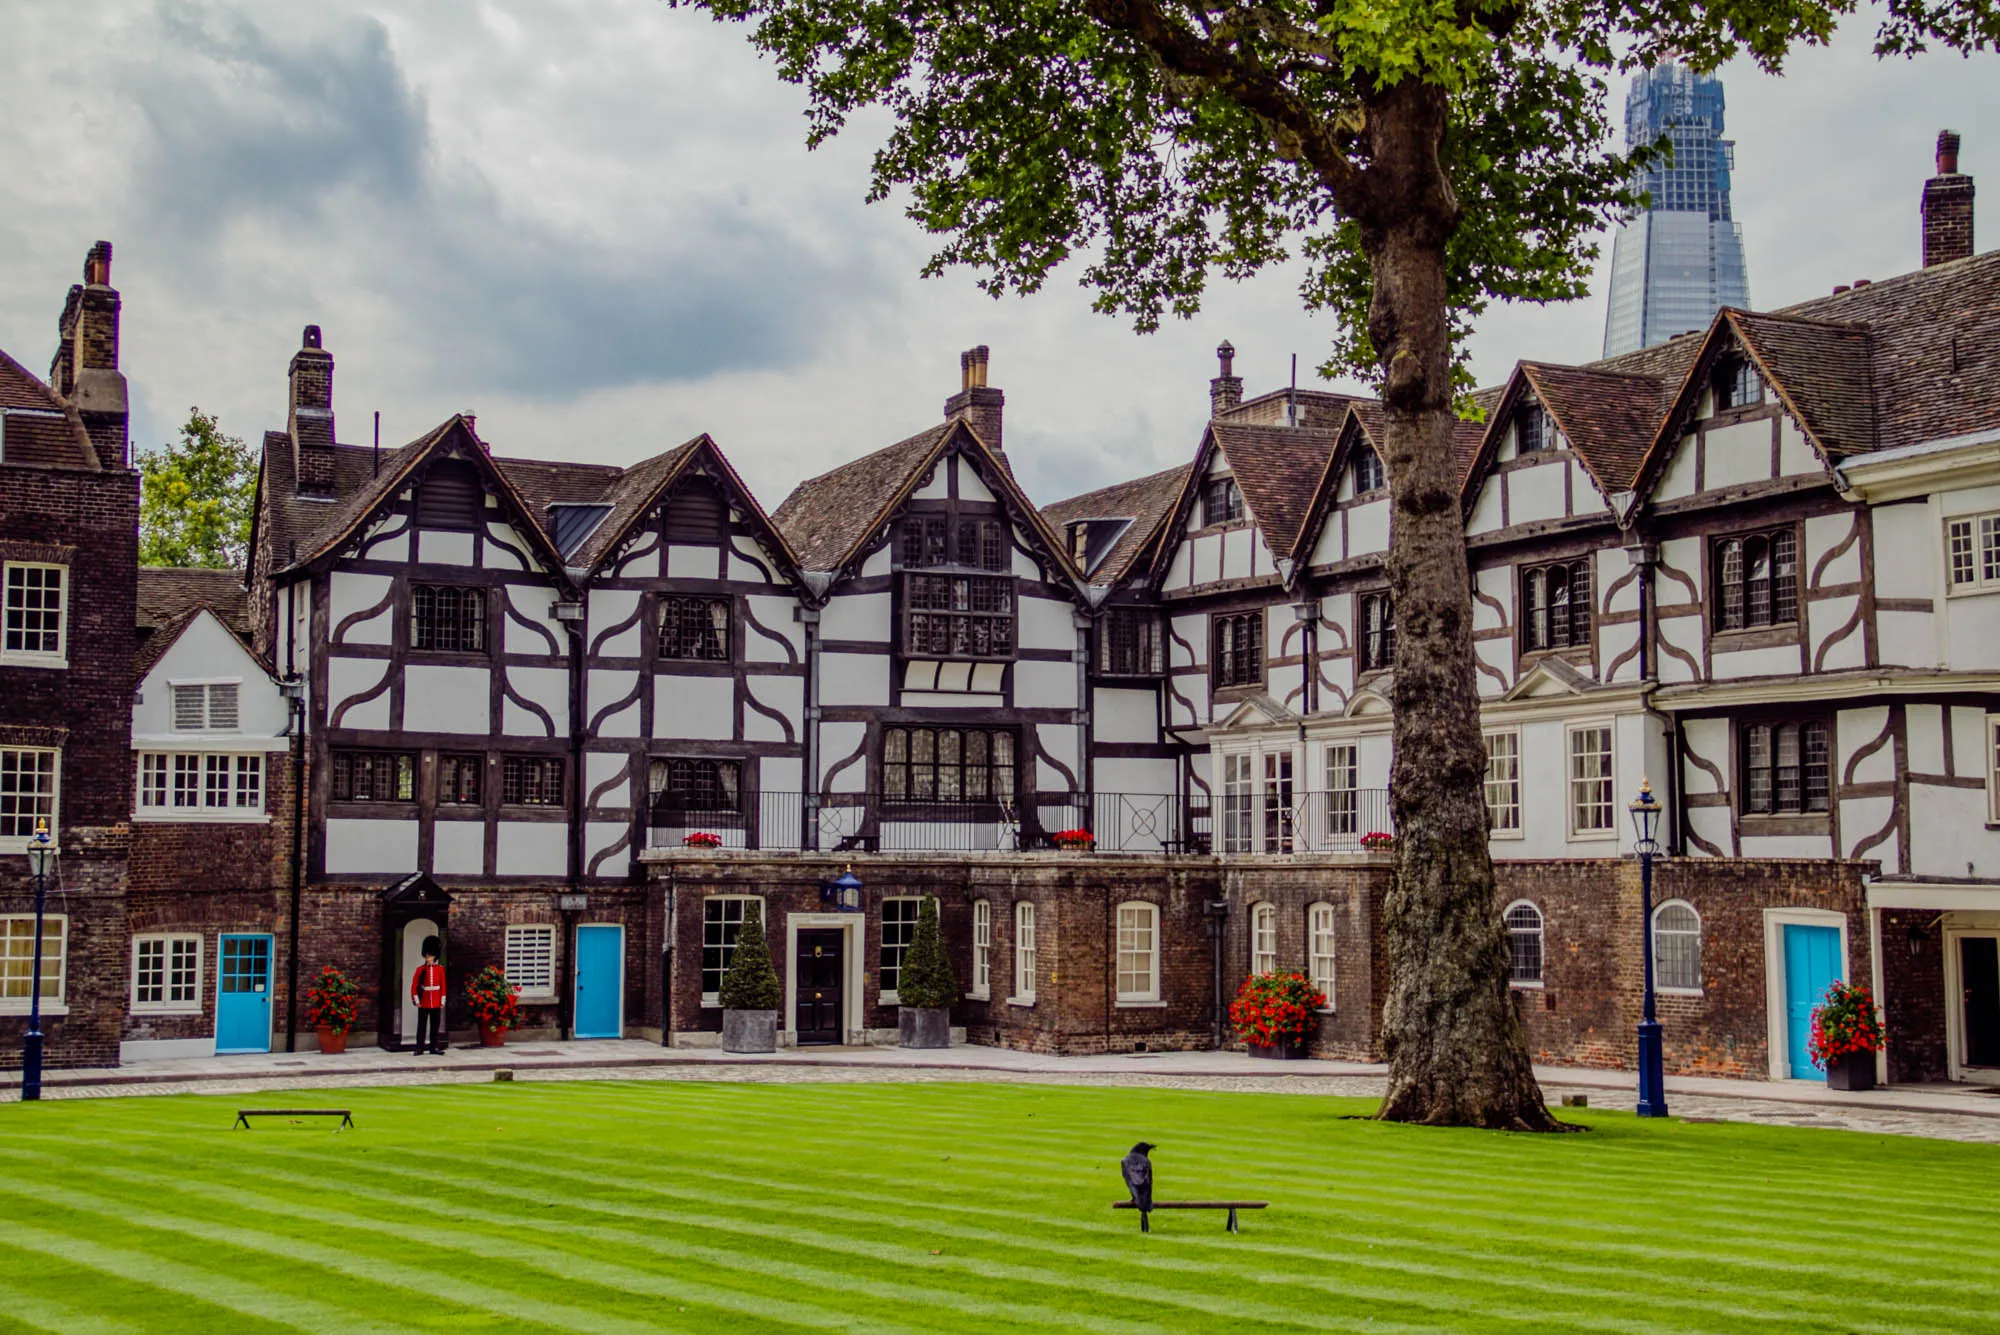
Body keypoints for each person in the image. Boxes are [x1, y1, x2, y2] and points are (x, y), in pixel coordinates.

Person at [411, 936, 447, 1055]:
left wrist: (442, 1000)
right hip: (424, 1000)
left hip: (436, 1000)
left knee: (434, 1026)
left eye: (430, 956)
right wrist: (416, 999)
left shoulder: (440, 969)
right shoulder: (420, 969)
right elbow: (414, 985)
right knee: (421, 1026)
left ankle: (433, 1047)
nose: (429, 958)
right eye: (427, 956)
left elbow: (442, 985)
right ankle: (419, 1047)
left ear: (434, 956)